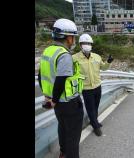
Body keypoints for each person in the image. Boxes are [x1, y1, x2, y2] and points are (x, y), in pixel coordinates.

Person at [38, 18, 84, 158]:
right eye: (73, 37)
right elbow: (61, 80)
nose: (74, 41)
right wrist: (55, 99)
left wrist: (48, 96)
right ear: (68, 37)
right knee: (73, 136)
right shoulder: (64, 55)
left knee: (63, 128)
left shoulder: (48, 51)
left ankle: (63, 152)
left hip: (57, 103)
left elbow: (41, 76)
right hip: (68, 102)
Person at [72, 33, 113, 136]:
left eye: (89, 43)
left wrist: (108, 62)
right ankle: (96, 126)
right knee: (90, 108)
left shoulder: (96, 57)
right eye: (85, 43)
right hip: (86, 89)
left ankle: (94, 121)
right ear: (80, 45)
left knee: (95, 106)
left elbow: (103, 68)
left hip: (97, 86)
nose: (87, 45)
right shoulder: (74, 58)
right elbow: (71, 73)